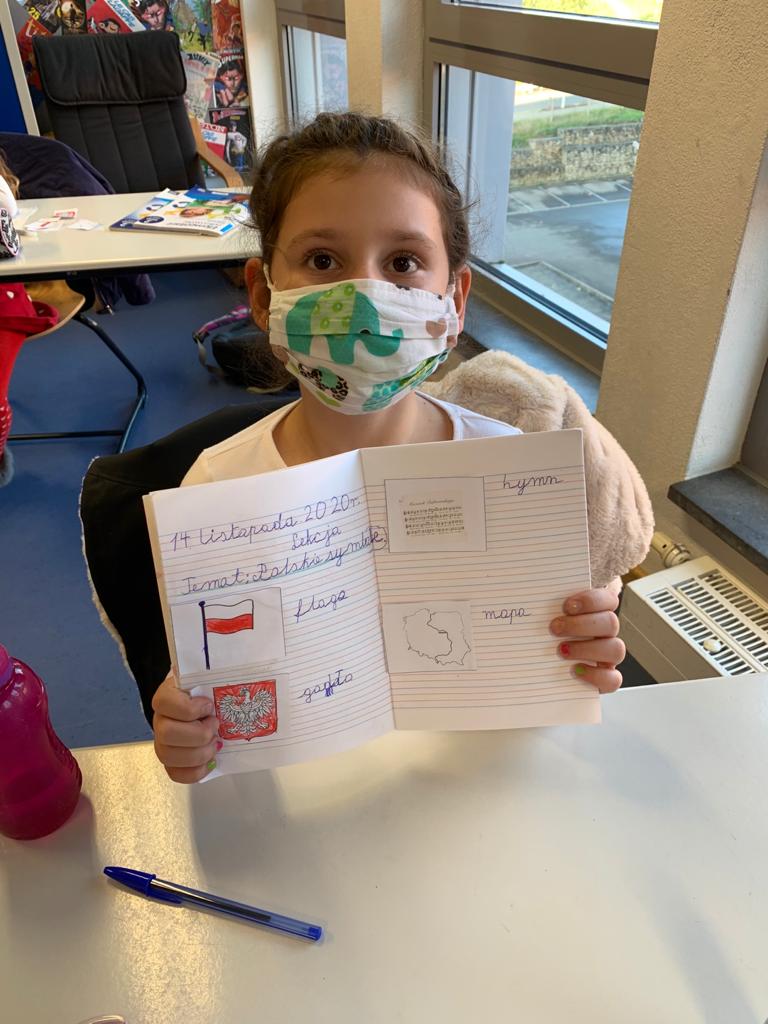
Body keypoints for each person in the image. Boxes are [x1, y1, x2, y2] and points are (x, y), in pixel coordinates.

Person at [151, 112, 626, 783]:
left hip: (475, 789)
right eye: (322, 261)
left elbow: (536, 700)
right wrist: (190, 729)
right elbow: (217, 693)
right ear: (262, 294)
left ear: (454, 300)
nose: (364, 298)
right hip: (315, 808)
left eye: (403, 263)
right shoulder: (217, 489)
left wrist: (575, 654)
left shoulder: (511, 472)